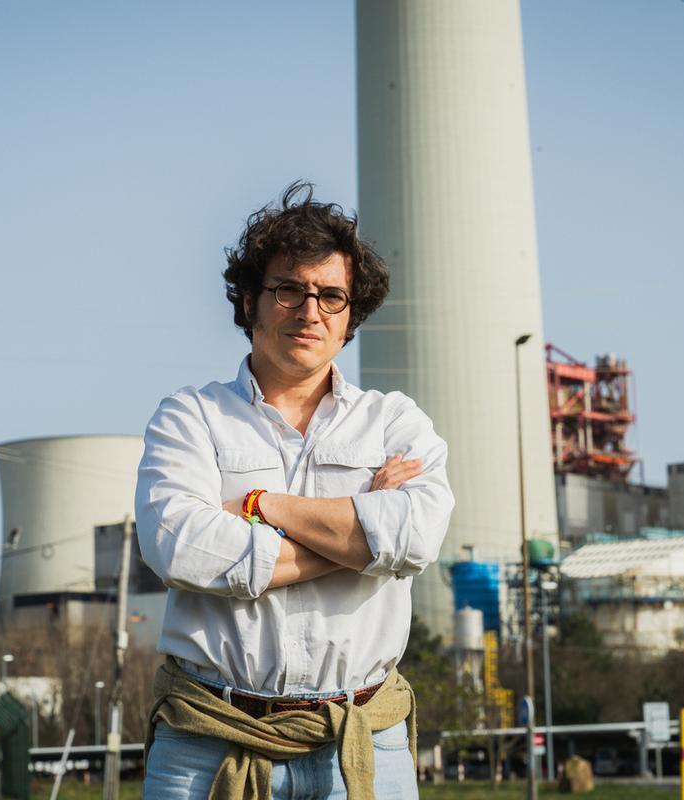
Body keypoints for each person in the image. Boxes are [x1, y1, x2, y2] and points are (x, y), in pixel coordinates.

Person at [135, 182, 455, 799]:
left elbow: (416, 537)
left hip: (363, 745)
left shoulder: (394, 421)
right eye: (288, 290)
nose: (310, 311)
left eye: (331, 296)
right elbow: (180, 548)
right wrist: (361, 541)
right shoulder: (191, 416)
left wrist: (263, 506)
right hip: (210, 741)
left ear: (350, 315)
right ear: (249, 301)